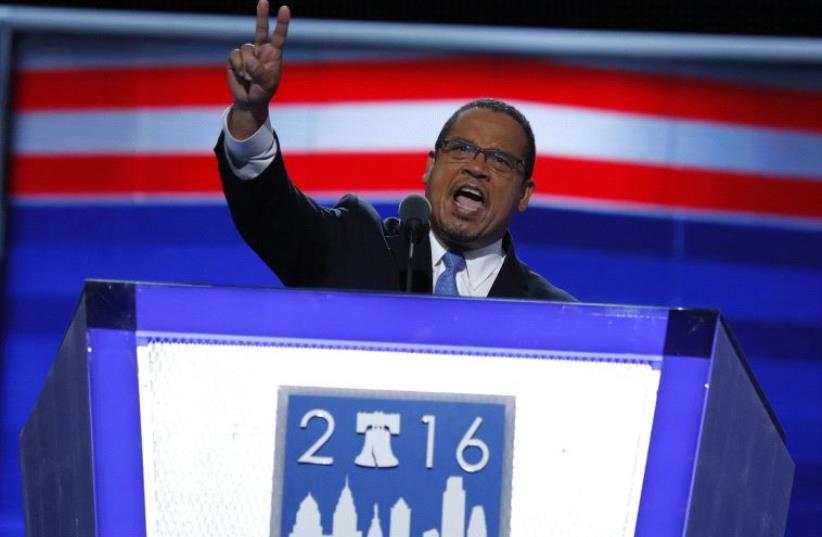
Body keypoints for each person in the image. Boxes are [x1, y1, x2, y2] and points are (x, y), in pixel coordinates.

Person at [216, 0, 574, 301]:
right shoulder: (356, 248)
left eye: (499, 160)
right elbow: (271, 216)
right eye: (462, 149)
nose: (476, 167)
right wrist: (251, 113)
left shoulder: (554, 314)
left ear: (525, 194)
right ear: (430, 167)